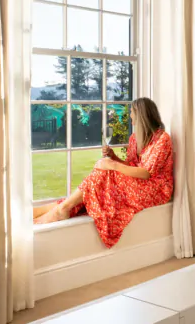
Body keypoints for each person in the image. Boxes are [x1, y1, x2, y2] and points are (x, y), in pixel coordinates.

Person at [33, 98, 174, 248]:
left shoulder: (162, 139)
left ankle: (61, 208)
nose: (130, 116)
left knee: (104, 174)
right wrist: (114, 157)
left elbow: (146, 173)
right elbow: (131, 165)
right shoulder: (135, 138)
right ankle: (55, 208)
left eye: (132, 113)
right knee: (100, 180)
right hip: (139, 182)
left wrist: (112, 164)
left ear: (141, 115)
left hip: (155, 189)